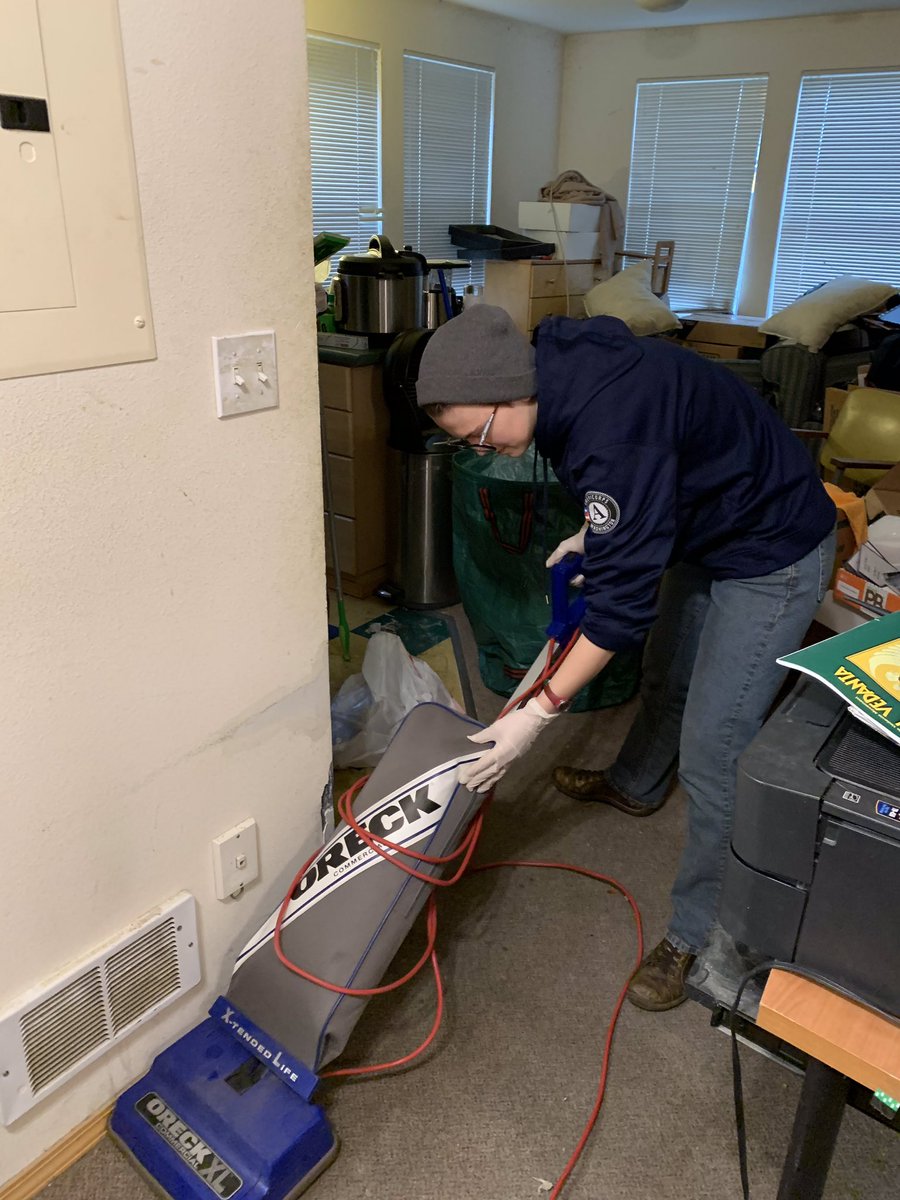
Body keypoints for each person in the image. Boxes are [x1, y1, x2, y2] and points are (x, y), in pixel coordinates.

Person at [416, 304, 836, 1011]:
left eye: (481, 435)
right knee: (666, 673)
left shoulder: (609, 426)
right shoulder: (556, 372)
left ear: (511, 392)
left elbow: (619, 612)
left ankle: (707, 937)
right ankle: (638, 782)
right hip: (705, 522)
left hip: (772, 549)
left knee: (715, 749)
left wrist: (537, 717)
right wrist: (598, 533)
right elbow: (645, 471)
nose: (486, 452)